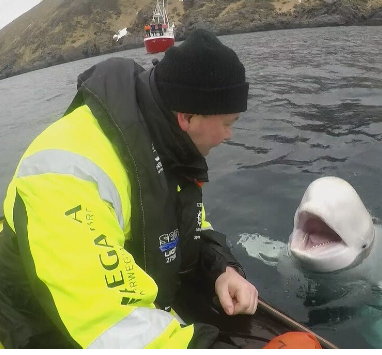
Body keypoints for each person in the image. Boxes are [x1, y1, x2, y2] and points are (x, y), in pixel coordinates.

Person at [0, 29, 258, 349]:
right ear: (188, 118)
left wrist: (221, 268)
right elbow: (109, 325)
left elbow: (189, 222)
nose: (230, 135)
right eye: (228, 123)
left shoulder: (167, 144)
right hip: (37, 333)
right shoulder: (67, 176)